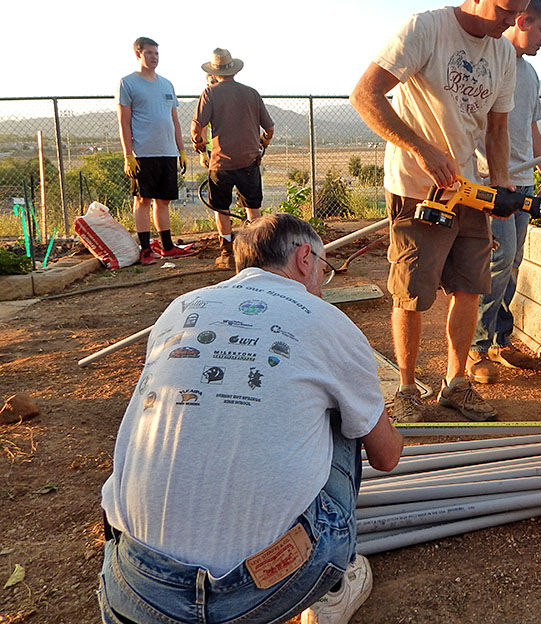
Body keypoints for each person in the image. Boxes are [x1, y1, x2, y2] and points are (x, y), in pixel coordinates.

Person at [98, 213, 403, 624]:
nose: (321, 284)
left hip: (137, 589)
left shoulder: (179, 310)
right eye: (324, 270)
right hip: (259, 590)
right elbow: (386, 457)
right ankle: (332, 591)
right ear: (304, 258)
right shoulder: (327, 321)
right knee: (345, 414)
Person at [350, 0, 533, 423]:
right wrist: (419, 148)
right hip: (418, 190)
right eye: (504, 11)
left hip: (467, 190)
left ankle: (456, 383)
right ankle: (408, 390)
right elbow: (365, 95)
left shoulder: (502, 54)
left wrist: (501, 187)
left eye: (519, 14)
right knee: (411, 291)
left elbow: (496, 129)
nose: (511, 23)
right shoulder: (426, 29)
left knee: (470, 288)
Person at [468, 0, 541, 383]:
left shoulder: (530, 73)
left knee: (515, 262)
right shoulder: (489, 61)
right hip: (494, 184)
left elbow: (530, 126)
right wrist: (482, 172)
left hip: (523, 181)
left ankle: (502, 340)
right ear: (521, 21)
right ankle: (476, 348)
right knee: (498, 261)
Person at [191, 48, 275, 269]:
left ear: (214, 71)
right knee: (252, 207)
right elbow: (269, 128)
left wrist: (201, 150)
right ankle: (255, 251)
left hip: (221, 164)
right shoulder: (251, 93)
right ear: (233, 69)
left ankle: (226, 252)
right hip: (249, 162)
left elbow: (196, 127)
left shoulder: (209, 93)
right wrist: (263, 143)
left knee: (222, 208)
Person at [116, 36, 192, 264]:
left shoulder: (167, 84)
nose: (153, 57)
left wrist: (181, 150)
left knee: (163, 201)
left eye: (156, 53)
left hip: (167, 151)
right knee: (143, 200)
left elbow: (174, 120)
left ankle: (167, 246)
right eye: (149, 53)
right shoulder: (127, 83)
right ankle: (146, 249)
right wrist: (128, 154)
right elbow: (124, 122)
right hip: (143, 153)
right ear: (138, 54)